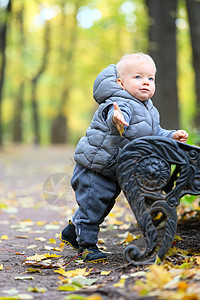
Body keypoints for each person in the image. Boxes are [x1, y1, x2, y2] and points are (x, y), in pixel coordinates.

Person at [59, 53, 189, 263]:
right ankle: (86, 247)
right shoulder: (119, 101)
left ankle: (72, 231)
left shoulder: (150, 110)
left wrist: (172, 135)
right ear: (121, 83)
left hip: (114, 169)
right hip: (96, 166)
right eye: (137, 77)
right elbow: (114, 112)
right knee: (92, 205)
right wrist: (117, 118)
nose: (145, 82)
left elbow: (155, 133)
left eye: (150, 78)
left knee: (101, 206)